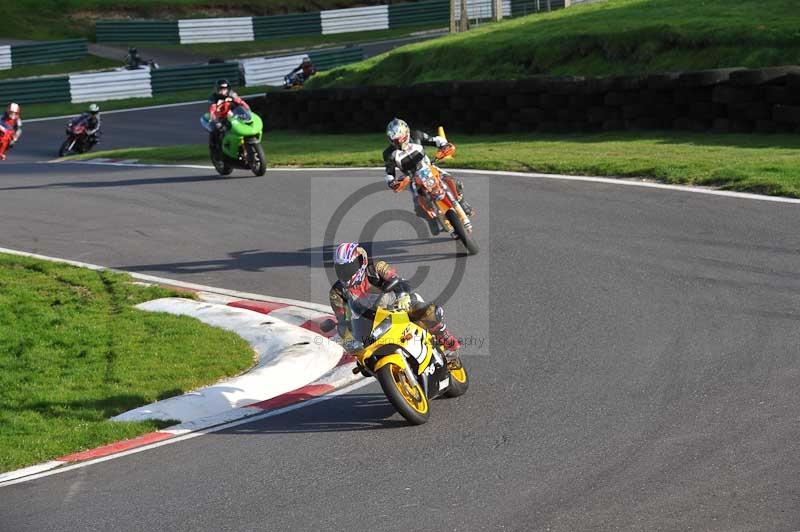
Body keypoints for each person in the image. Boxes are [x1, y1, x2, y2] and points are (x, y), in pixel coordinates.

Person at [329, 242, 461, 357]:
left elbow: (400, 281)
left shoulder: (376, 268)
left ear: (361, 261)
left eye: (349, 267)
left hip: (396, 310)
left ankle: (445, 337)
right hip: (370, 325)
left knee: (428, 312)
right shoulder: (337, 292)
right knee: (362, 358)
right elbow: (342, 320)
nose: (345, 273)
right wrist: (348, 339)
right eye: (340, 269)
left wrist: (402, 294)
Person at [382, 118, 473, 235]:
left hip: (429, 167)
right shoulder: (388, 154)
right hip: (412, 178)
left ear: (406, 133)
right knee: (419, 207)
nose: (399, 142)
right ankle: (432, 220)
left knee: (453, 182)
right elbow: (389, 172)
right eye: (395, 140)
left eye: (400, 139)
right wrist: (392, 183)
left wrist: (445, 145)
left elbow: (434, 140)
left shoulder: (417, 135)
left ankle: (462, 202)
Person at [207, 79, 251, 150]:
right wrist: (216, 120)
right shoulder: (213, 98)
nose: (223, 91)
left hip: (232, 115)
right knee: (214, 128)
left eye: (225, 89)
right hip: (219, 116)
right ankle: (214, 147)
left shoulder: (232, 94)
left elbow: (241, 103)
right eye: (221, 89)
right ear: (217, 89)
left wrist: (248, 110)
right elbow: (212, 110)